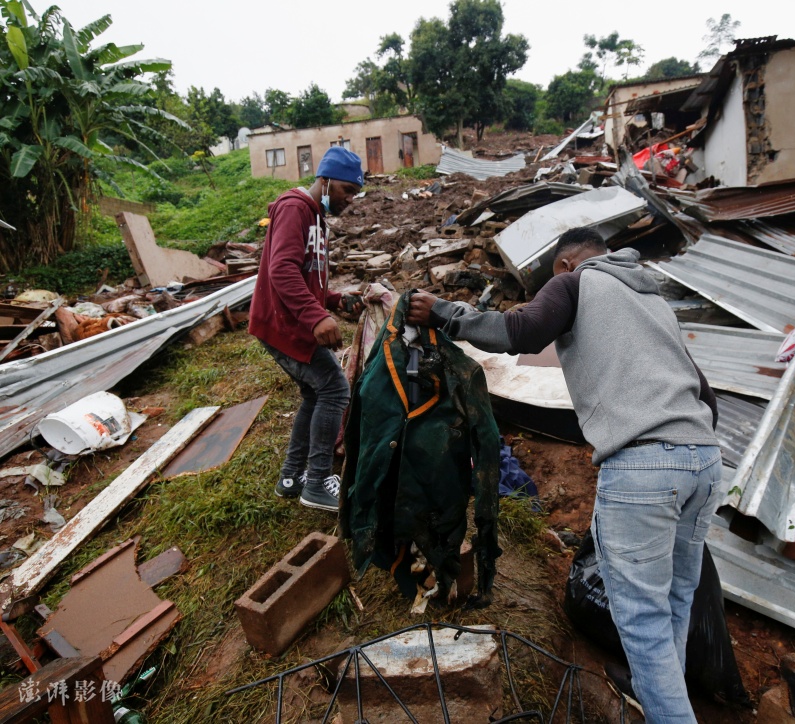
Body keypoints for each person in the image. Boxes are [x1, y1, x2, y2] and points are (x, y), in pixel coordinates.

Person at [408, 228, 721, 722]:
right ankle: (654, 686)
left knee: (642, 620)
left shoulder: (575, 281)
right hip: (704, 460)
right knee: (677, 594)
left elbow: (522, 332)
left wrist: (445, 312)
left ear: (565, 263)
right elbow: (705, 393)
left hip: (643, 466)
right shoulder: (652, 297)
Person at [249, 146, 364, 511]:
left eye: (355, 193)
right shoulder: (295, 209)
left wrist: (333, 300)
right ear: (326, 180)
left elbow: (305, 276)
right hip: (284, 324)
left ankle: (291, 476)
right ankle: (316, 482)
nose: (350, 200)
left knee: (315, 394)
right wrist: (316, 318)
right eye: (347, 190)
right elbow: (280, 270)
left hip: (289, 322)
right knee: (334, 389)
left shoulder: (315, 217)